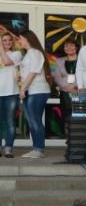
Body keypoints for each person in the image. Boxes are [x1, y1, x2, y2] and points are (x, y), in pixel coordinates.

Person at [14, 30, 51, 158]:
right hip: (31, 90)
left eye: (20, 38)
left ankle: (39, 149)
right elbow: (28, 74)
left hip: (37, 91)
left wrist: (23, 89)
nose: (19, 41)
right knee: (32, 121)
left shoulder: (35, 53)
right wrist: (21, 80)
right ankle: (36, 148)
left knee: (35, 120)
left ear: (28, 39)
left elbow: (33, 73)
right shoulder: (28, 54)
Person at [0, 29, 23, 157]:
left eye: (9, 40)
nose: (7, 42)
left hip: (11, 93)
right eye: (4, 40)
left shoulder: (16, 54)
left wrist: (0, 46)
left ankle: (8, 148)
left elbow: (7, 62)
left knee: (9, 121)